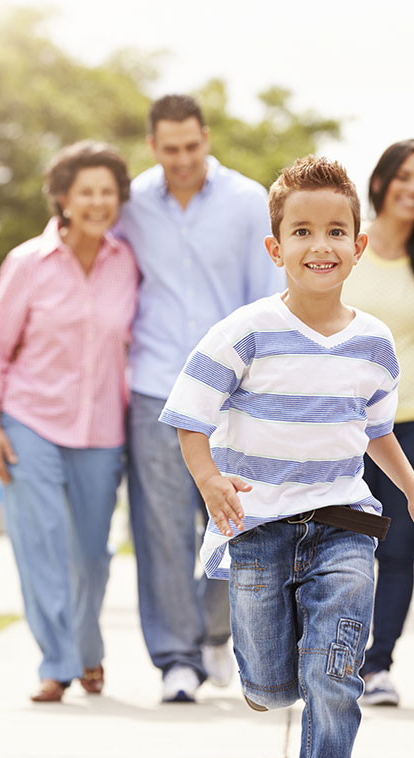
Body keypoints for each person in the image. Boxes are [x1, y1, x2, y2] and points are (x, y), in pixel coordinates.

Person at [160, 155, 414, 758]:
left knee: (334, 676)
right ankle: (270, 675)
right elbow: (189, 413)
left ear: (358, 245)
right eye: (302, 231)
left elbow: (376, 432)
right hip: (259, 526)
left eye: (336, 231)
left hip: (345, 522)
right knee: (267, 684)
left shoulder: (374, 342)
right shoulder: (245, 332)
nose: (320, 245)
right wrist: (209, 480)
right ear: (276, 246)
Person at [115, 94, 282, 702]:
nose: (182, 159)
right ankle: (175, 660)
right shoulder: (129, 203)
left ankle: (215, 632)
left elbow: (265, 298)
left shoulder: (247, 202)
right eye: (169, 149)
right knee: (158, 528)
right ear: (154, 146)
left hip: (225, 394)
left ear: (206, 138)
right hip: (152, 386)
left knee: (229, 520)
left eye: (192, 146)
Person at [0, 140, 138, 703]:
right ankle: (57, 662)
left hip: (102, 430)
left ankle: (87, 648)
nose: (96, 201)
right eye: (85, 191)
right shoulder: (25, 263)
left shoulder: (126, 263)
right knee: (40, 542)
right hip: (28, 421)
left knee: (91, 553)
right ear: (63, 198)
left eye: (107, 192)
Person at [342, 139, 414, 707]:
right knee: (339, 538)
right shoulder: (347, 243)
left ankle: (378, 664)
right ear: (383, 180)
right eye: (405, 176)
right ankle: (332, 655)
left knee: (399, 539)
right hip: (343, 421)